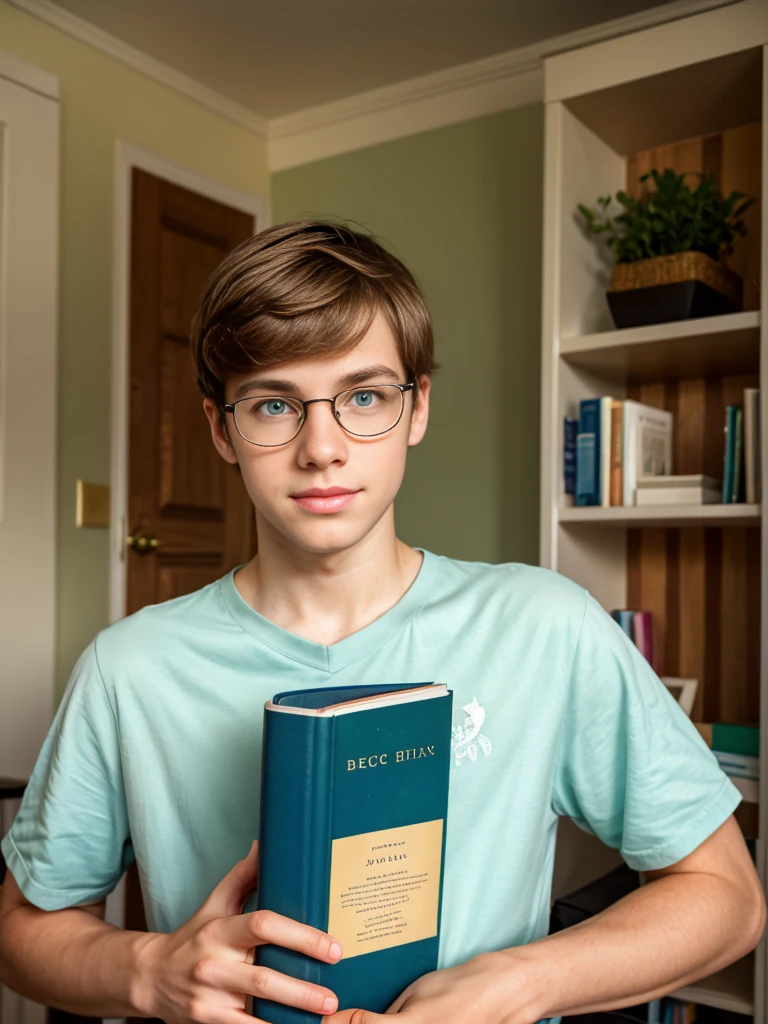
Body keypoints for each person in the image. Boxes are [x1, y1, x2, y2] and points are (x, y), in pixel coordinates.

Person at [0, 220, 763, 1024]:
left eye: (363, 396)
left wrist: (514, 986)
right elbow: (22, 929)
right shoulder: (130, 668)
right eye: (272, 404)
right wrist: (149, 970)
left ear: (417, 407)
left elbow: (727, 897)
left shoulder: (546, 627)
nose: (322, 447)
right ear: (222, 429)